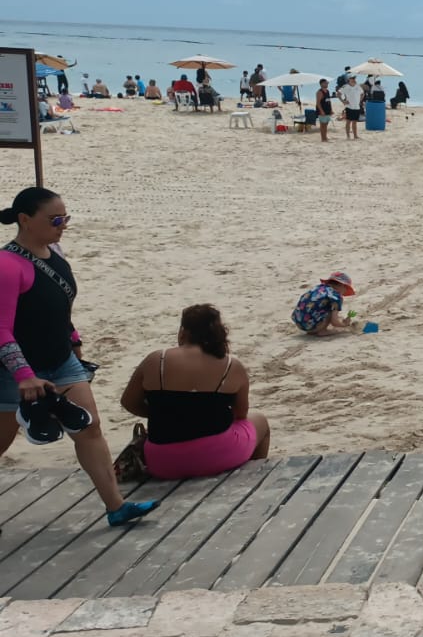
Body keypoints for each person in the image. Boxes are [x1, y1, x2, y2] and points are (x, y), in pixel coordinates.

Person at [0, 187, 160, 526]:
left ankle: (116, 506)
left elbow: (58, 305)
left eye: (65, 218)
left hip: (61, 361)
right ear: (25, 221)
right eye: (55, 219)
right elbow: (1, 329)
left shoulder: (53, 252)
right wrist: (24, 375)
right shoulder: (6, 265)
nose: (63, 225)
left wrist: (74, 341)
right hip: (14, 370)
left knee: (90, 428)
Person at [120, 304, 269, 480]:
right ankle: (254, 478)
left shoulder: (156, 360)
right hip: (216, 456)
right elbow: (240, 413)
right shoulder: (231, 366)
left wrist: (164, 414)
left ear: (183, 331)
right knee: (260, 421)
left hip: (162, 461)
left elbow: (128, 401)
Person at [292, 271, 357, 335]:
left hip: (299, 324)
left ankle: (312, 329)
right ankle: (323, 330)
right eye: (346, 289)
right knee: (329, 311)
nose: (344, 292)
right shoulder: (336, 296)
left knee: (320, 306)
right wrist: (344, 324)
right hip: (312, 326)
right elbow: (334, 322)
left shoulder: (318, 288)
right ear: (342, 285)